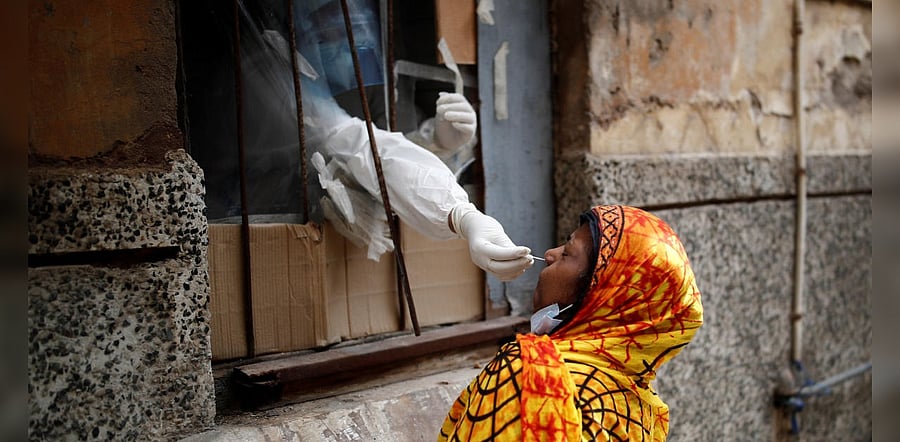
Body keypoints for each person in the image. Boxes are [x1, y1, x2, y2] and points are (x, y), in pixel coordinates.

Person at [438, 205, 704, 441]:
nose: (550, 254)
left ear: (601, 296)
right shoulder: (641, 407)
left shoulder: (530, 376)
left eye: (567, 253)